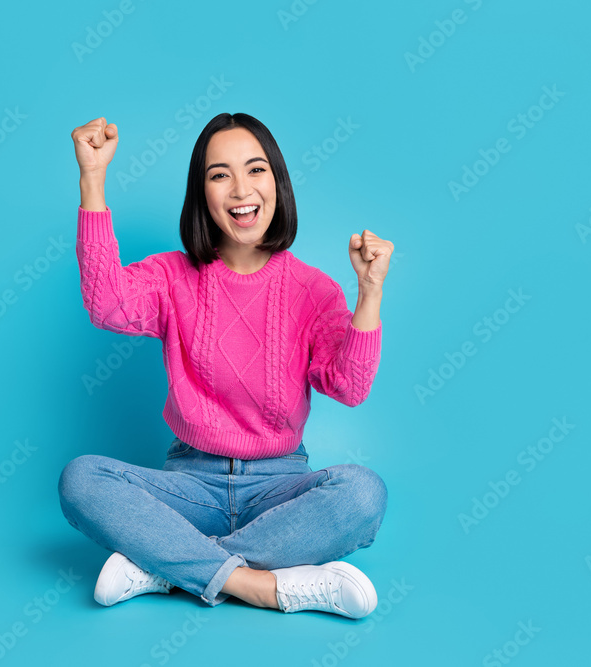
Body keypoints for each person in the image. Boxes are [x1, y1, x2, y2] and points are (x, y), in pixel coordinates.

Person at [59, 112, 395, 619]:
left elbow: (348, 386)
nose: (241, 189)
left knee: (364, 494)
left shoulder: (314, 290)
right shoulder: (173, 276)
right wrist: (92, 177)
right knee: (80, 479)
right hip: (188, 484)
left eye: (256, 170)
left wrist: (369, 294)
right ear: (203, 194)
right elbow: (106, 302)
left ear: (277, 183)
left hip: (279, 487)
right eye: (220, 174)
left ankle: (166, 568)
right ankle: (261, 585)